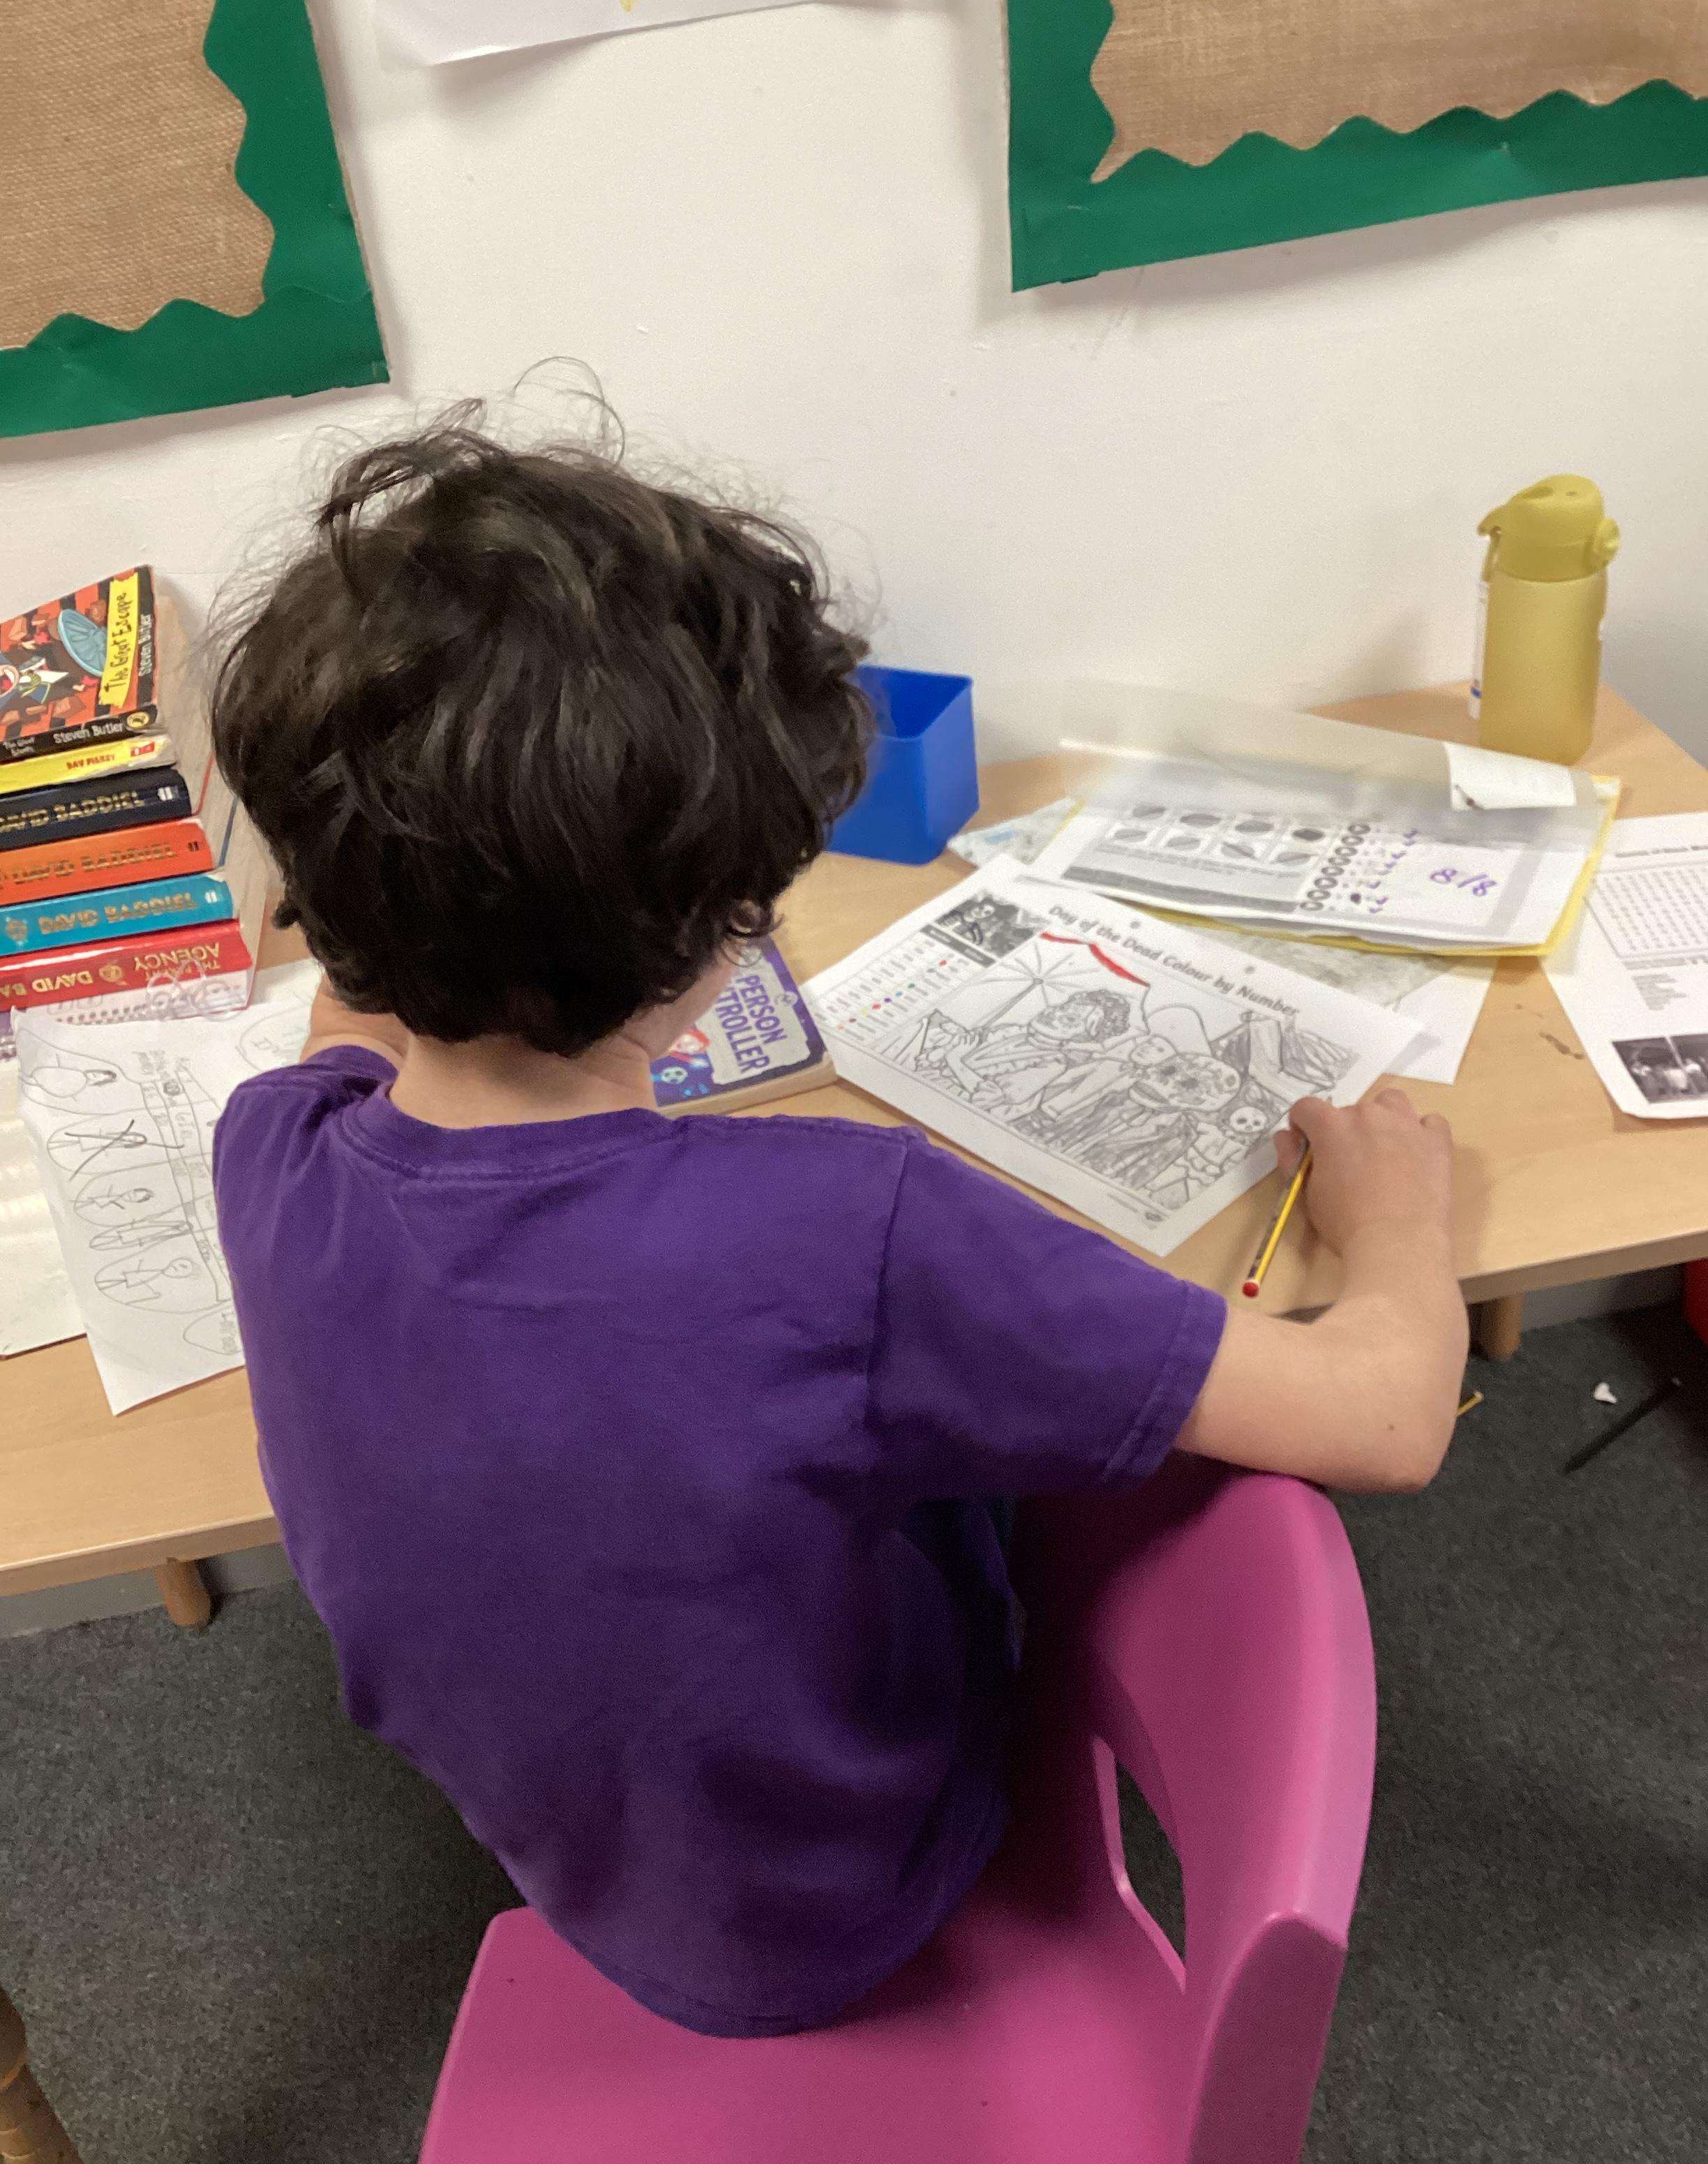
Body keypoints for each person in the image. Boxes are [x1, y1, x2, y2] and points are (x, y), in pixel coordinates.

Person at [209, 423, 1467, 2042]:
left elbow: (346, 1024)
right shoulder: (846, 1231)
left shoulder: (273, 1147)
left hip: (576, 1864)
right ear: (715, 929)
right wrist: (1397, 1222)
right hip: (858, 1899)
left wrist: (400, 892)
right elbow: (1388, 1418)